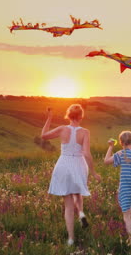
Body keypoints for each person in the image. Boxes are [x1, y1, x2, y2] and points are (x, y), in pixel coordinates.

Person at [41, 104, 101, 246]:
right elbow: (86, 153)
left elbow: (43, 135)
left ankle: (71, 238)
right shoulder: (85, 132)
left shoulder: (62, 129)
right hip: (79, 164)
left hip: (63, 164)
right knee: (78, 191)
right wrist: (93, 172)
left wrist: (49, 118)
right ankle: (81, 213)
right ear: (81, 116)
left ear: (68, 115)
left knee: (68, 205)